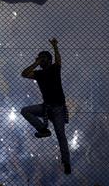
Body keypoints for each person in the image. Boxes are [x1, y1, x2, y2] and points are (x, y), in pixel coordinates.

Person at [20, 38, 71, 175]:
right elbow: (24, 74)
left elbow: (58, 60)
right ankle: (43, 129)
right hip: (47, 107)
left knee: (61, 135)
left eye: (42, 59)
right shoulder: (39, 74)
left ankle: (66, 162)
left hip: (58, 108)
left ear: (47, 60)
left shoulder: (54, 69)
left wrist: (55, 47)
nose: (41, 61)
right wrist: (36, 62)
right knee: (25, 111)